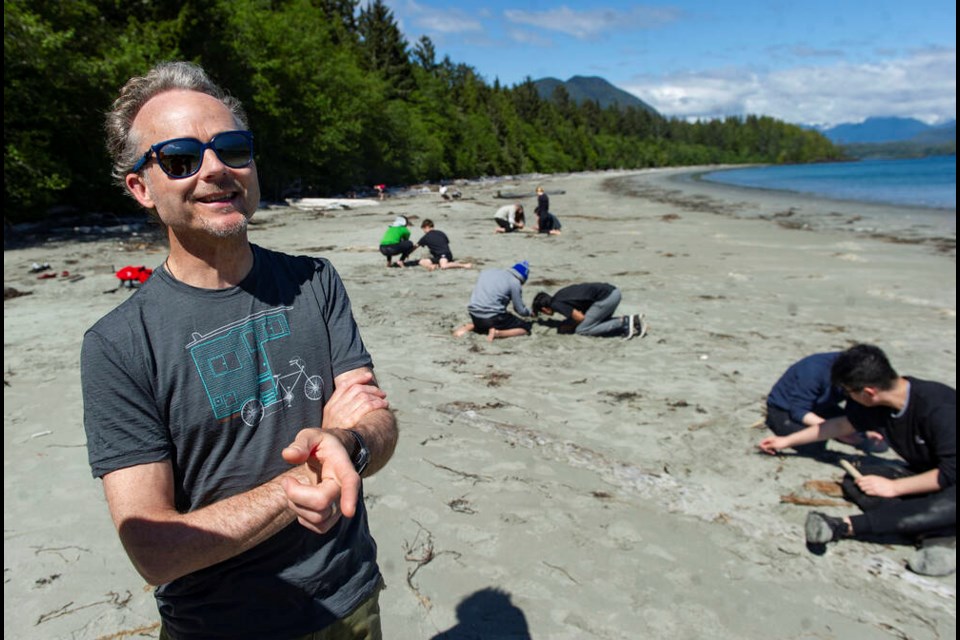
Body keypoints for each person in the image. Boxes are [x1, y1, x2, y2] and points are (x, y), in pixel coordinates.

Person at [81, 61, 399, 639]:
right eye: (180, 159)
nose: (216, 171)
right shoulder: (119, 345)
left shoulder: (314, 282)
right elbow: (152, 548)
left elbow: (378, 424)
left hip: (350, 599)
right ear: (141, 188)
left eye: (232, 149)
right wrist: (297, 481)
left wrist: (349, 443)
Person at [759, 344, 956, 576]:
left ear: (868, 392)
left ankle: (842, 526)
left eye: (848, 392)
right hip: (928, 474)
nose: (847, 398)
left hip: (949, 477)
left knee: (945, 502)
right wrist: (787, 441)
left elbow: (950, 472)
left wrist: (895, 487)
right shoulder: (878, 404)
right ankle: (934, 530)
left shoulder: (939, 407)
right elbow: (840, 425)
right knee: (858, 478)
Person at [765, 352, 882, 456]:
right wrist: (835, 432)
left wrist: (864, 430)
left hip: (823, 406)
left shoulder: (856, 375)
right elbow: (798, 411)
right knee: (813, 445)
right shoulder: (813, 370)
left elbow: (855, 408)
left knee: (864, 429)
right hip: (786, 409)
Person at [453, 261, 533, 341]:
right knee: (525, 328)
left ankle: (464, 329)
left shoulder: (488, 272)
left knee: (482, 325)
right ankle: (498, 333)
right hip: (493, 317)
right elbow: (520, 310)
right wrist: (530, 312)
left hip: (474, 313)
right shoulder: (515, 282)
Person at [532, 283, 645, 339]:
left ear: (544, 309)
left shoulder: (555, 304)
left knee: (582, 330)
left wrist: (569, 326)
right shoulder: (559, 295)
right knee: (595, 323)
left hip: (606, 298)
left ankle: (624, 322)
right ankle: (633, 321)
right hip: (612, 291)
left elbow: (580, 318)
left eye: (542, 312)